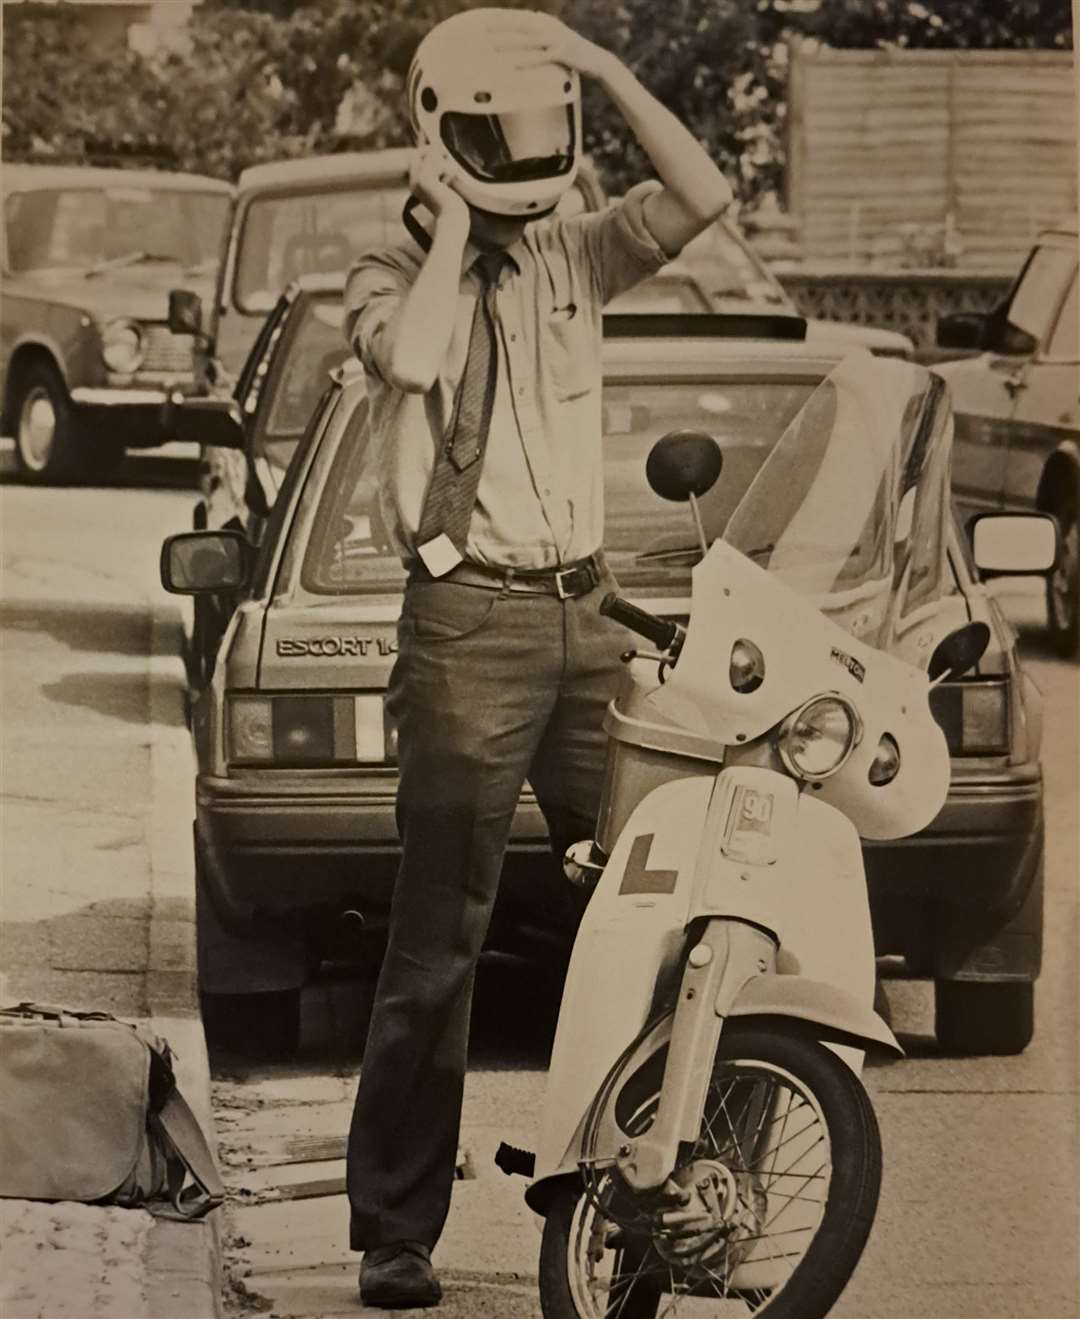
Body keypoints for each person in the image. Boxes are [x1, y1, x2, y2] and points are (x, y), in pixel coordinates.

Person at [342, 8, 735, 1308]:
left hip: (587, 617)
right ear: (447, 131)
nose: (522, 152)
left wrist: (610, 71)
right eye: (495, 130)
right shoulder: (387, 264)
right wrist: (449, 212)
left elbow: (704, 191)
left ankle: (645, 1190)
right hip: (466, 626)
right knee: (437, 938)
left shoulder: (579, 248)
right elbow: (409, 358)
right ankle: (396, 1233)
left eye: (533, 127)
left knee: (648, 903)